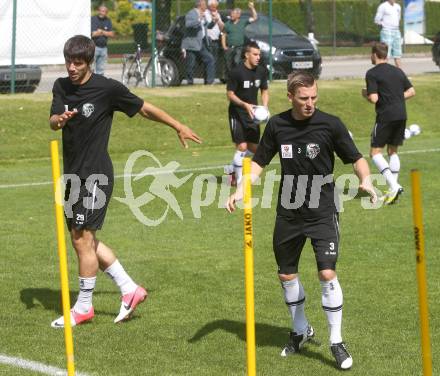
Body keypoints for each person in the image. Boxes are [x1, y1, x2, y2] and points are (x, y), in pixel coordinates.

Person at [226, 71, 377, 370]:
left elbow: (356, 157)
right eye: (304, 98)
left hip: (323, 208)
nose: (310, 103)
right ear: (291, 97)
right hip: (289, 210)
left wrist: (367, 180)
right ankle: (301, 330)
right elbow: (258, 162)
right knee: (286, 275)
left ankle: (336, 341)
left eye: (314, 98)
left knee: (327, 274)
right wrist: (241, 189)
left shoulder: (330, 124)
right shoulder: (278, 125)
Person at [49, 35, 201, 328]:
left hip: (95, 175)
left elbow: (143, 108)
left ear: (88, 62)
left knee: (83, 240)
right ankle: (131, 290)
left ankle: (83, 308)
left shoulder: (107, 89)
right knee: (82, 240)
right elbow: (53, 120)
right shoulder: (61, 86)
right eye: (68, 61)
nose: (71, 68)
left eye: (77, 63)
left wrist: (178, 125)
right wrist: (60, 120)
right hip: (72, 176)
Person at [362, 42, 415, 205]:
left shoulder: (372, 73)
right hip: (401, 114)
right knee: (392, 151)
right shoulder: (397, 71)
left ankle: (394, 186)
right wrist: (396, 98)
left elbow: (374, 98)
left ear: (374, 54)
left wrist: (365, 94)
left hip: (386, 116)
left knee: (375, 153)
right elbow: (411, 91)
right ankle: (393, 191)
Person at [225, 41, 269, 186]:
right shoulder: (236, 72)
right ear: (246, 55)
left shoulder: (261, 71)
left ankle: (231, 168)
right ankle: (239, 182)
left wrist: (264, 107)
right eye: (255, 54)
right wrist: (244, 104)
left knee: (254, 149)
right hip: (237, 113)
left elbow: (264, 90)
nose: (258, 57)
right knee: (242, 147)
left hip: (253, 115)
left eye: (259, 55)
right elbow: (230, 94)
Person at [181, 0, 217, 85]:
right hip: (191, 44)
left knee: (210, 59)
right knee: (191, 64)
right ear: (200, 5)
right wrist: (199, 19)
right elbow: (188, 25)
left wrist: (213, 21)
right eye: (205, 4)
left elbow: (206, 26)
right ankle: (190, 83)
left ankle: (209, 82)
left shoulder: (202, 14)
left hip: (201, 43)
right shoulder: (191, 13)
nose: (206, 6)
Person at [221, 2, 258, 80]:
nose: (231, 15)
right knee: (228, 64)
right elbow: (223, 35)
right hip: (230, 47)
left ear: (238, 15)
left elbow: (254, 18)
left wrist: (252, 8)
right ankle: (230, 78)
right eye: (231, 14)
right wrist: (224, 46)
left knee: (236, 61)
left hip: (239, 47)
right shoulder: (227, 24)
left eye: (233, 14)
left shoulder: (243, 22)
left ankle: (238, 77)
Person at [374, 0, 402, 68]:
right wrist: (384, 25)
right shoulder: (383, 6)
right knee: (386, 53)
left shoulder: (398, 7)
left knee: (397, 53)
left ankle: (400, 73)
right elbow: (377, 20)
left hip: (396, 31)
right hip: (387, 31)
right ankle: (384, 71)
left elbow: (398, 18)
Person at [91, 5, 114, 75]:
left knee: (101, 70)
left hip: (104, 48)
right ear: (98, 11)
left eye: (104, 11)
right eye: (101, 11)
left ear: (106, 12)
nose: (102, 13)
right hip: (94, 47)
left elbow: (112, 34)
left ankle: (99, 84)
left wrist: (101, 31)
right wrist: (106, 32)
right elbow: (93, 34)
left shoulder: (108, 20)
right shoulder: (93, 19)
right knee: (91, 68)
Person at [205, 0, 224, 75]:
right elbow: (206, 27)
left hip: (216, 40)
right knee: (209, 60)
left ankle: (212, 77)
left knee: (214, 60)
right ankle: (208, 78)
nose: (215, 8)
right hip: (208, 40)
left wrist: (217, 20)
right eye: (213, 6)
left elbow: (222, 27)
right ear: (209, 6)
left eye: (216, 7)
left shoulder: (217, 14)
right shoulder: (205, 14)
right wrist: (213, 20)